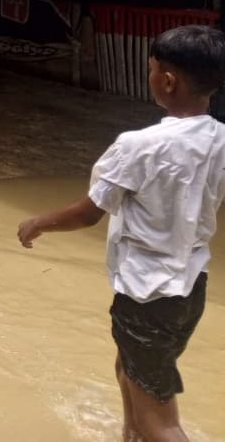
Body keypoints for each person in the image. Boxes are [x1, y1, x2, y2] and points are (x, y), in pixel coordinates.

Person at [17, 25, 225, 442]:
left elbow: (88, 213)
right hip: (189, 289)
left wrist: (37, 222)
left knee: (161, 422)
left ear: (167, 81)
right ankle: (129, 436)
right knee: (129, 367)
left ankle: (141, 431)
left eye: (152, 70)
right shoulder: (219, 138)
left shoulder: (138, 145)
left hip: (148, 293)